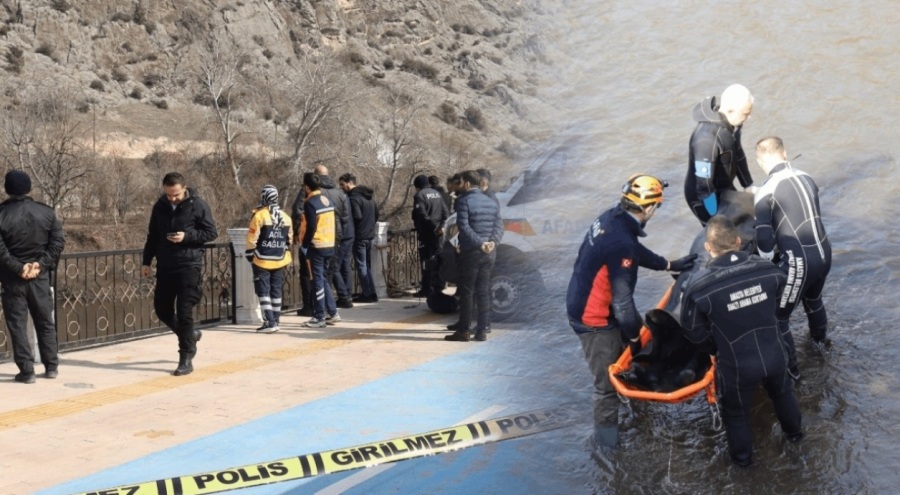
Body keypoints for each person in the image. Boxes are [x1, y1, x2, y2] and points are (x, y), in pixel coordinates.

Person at [566, 174, 697, 449]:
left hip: (589, 299)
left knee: (634, 353)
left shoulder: (613, 217)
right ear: (649, 208)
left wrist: (668, 264)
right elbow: (623, 302)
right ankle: (605, 448)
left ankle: (640, 410)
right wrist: (635, 339)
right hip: (594, 320)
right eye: (657, 206)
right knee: (606, 386)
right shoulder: (621, 243)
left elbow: (634, 250)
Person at [680, 215, 803, 466]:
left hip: (737, 363)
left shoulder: (699, 286)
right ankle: (798, 439)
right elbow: (783, 304)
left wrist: (716, 347)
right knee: (783, 394)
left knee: (736, 415)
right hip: (774, 352)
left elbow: (691, 330)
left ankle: (744, 466)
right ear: (738, 241)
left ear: (707, 247)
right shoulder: (768, 269)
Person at [754, 136, 832, 379]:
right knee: (813, 299)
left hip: (799, 261)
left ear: (759, 161)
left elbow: (765, 242)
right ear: (784, 153)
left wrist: (767, 268)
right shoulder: (807, 177)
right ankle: (821, 344)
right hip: (824, 251)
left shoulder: (765, 190)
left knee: (779, 318)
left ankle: (793, 373)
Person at [141, 172, 218, 376]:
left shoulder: (197, 205)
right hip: (166, 266)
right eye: (169, 195)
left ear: (184, 188)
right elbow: (153, 236)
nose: (172, 198)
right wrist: (146, 261)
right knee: (161, 309)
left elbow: (211, 232)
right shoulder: (159, 206)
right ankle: (190, 335)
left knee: (184, 312)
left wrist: (187, 236)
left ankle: (186, 356)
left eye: (175, 194)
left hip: (189, 265)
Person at [0, 170, 65, 383]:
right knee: (45, 321)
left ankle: (27, 372)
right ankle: (51, 366)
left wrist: (19, 267)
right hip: (40, 277)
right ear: (29, 188)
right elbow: (57, 243)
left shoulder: (1, 214)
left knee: (17, 325)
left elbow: (1, 250)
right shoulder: (46, 212)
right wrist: (40, 264)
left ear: (7, 189)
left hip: (12, 279)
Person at [445, 170, 504, 342]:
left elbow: (463, 226)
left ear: (468, 184)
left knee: (467, 292)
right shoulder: (491, 201)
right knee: (483, 291)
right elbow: (499, 226)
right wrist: (492, 242)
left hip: (471, 251)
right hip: (489, 253)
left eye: (462, 182)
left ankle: (463, 331)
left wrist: (479, 243)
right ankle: (481, 331)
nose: (461, 184)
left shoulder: (464, 201)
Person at [684, 84, 756, 225]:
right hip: (704, 198)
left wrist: (748, 185)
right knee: (725, 236)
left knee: (750, 216)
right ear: (730, 111)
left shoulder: (733, 124)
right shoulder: (706, 140)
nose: (749, 117)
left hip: (724, 187)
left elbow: (738, 154)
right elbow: (704, 185)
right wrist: (716, 215)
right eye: (746, 114)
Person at [246, 185, 293, 334]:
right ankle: (276, 320)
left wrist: (250, 253)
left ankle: (270, 322)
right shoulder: (286, 217)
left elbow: (252, 238)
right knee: (276, 290)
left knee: (263, 291)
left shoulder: (260, 215)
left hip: (262, 259)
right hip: (280, 258)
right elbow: (289, 240)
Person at [298, 172, 339, 328]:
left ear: (307, 187)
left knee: (317, 281)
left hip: (317, 245)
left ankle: (319, 316)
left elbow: (312, 227)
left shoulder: (310, 203)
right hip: (329, 243)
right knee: (322, 279)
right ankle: (333, 312)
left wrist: (305, 244)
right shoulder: (327, 200)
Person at [316, 165, 354, 309]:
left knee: (329, 270)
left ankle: (336, 300)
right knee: (340, 266)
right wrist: (341, 233)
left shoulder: (317, 192)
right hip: (341, 235)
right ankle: (345, 296)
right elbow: (345, 217)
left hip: (324, 236)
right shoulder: (340, 193)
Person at [340, 173, 380, 303]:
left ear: (350, 183)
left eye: (342, 184)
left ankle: (367, 294)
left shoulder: (353, 198)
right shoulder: (369, 197)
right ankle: (372, 293)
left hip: (359, 236)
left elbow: (356, 216)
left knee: (362, 265)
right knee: (366, 265)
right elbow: (376, 214)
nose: (341, 187)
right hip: (370, 235)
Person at [412, 174, 449, 298]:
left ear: (417, 186)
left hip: (427, 234)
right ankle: (438, 286)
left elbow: (422, 214)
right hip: (439, 234)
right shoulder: (436, 193)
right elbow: (445, 212)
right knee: (438, 260)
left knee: (426, 261)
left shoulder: (419, 195)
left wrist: (434, 227)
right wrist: (441, 226)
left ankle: (427, 288)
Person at [291, 182, 314, 316]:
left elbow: (296, 210)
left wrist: (296, 232)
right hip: (327, 239)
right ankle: (321, 306)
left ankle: (308, 306)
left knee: (306, 274)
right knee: (320, 274)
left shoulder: (307, 195)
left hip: (308, 240)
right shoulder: (330, 193)